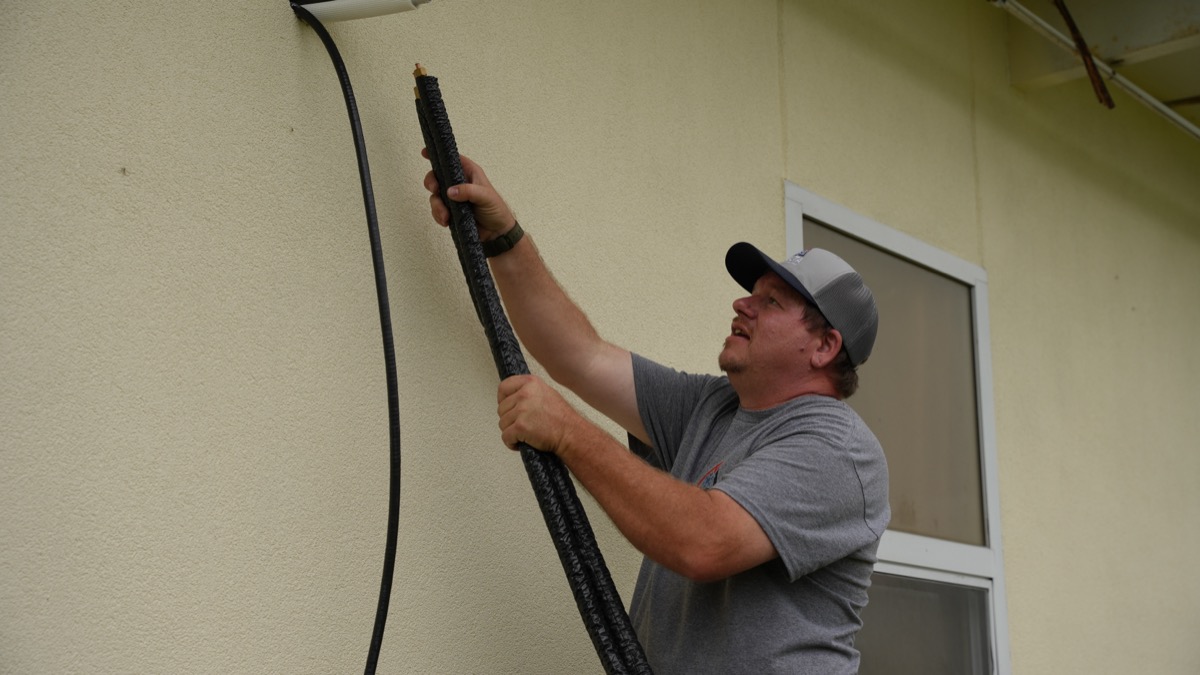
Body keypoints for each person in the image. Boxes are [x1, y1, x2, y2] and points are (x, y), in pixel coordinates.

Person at [423, 154, 890, 675]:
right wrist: (503, 235)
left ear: (825, 346)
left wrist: (567, 432)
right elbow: (580, 356)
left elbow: (704, 542)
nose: (743, 305)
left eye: (773, 302)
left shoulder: (837, 451)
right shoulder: (712, 408)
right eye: (751, 293)